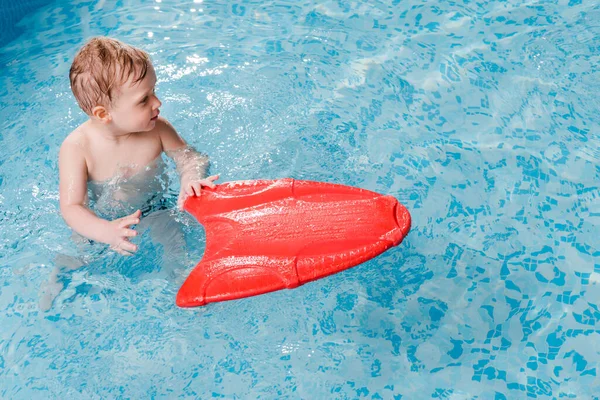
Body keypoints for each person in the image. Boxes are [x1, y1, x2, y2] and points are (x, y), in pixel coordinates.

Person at [58, 36, 218, 256]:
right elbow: (72, 207)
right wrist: (105, 231)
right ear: (104, 114)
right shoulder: (77, 148)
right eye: (144, 100)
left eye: (154, 91)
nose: (157, 102)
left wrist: (190, 178)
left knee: (177, 248)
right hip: (103, 221)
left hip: (157, 208)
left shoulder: (158, 130)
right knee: (78, 254)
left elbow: (190, 157)